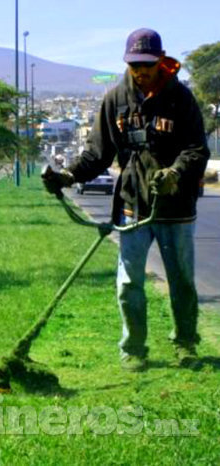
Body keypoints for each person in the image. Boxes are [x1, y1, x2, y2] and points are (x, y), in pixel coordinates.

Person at [42, 28, 210, 372]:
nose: (140, 71)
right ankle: (133, 348)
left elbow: (197, 149)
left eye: (146, 64)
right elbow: (97, 154)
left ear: (160, 61)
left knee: (181, 281)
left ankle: (186, 344)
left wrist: (176, 173)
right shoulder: (115, 99)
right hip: (132, 203)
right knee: (129, 282)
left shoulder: (181, 99)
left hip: (175, 207)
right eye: (134, 64)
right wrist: (68, 177)